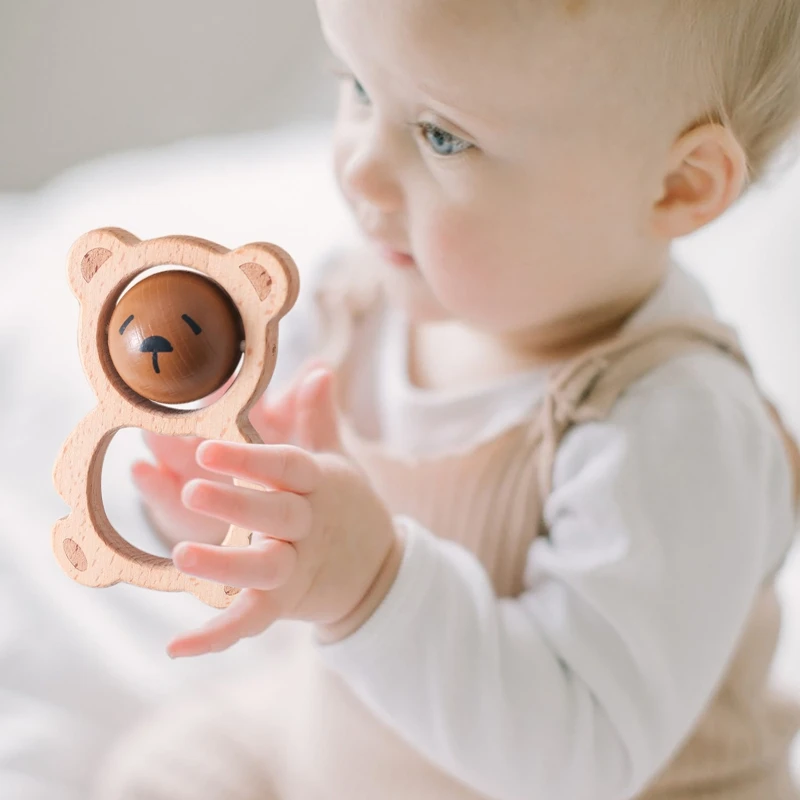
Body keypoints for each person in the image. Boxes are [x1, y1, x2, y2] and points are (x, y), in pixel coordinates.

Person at [95, 0, 800, 797]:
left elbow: (580, 757)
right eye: (357, 85)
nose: (359, 167)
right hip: (338, 744)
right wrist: (229, 515)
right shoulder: (367, 293)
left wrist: (371, 585)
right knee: (161, 772)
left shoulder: (676, 433)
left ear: (676, 186)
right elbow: (302, 555)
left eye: (442, 135)